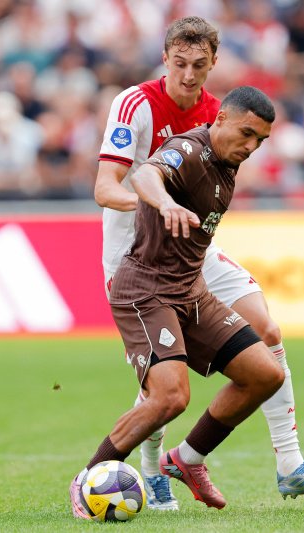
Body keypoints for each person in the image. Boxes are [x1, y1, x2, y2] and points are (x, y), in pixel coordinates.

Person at [92, 15, 304, 511]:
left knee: (267, 333)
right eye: (180, 63)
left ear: (213, 64)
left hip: (194, 250)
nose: (188, 75)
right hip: (136, 254)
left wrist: (188, 213)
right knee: (163, 383)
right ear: (165, 59)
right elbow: (106, 189)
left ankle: (290, 465)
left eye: (199, 65)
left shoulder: (222, 115)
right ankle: (149, 470)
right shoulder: (135, 103)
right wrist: (162, 205)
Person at [71, 86, 284, 517]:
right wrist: (164, 202)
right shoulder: (188, 148)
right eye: (246, 133)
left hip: (190, 292)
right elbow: (147, 174)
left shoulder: (228, 165)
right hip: (145, 292)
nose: (250, 146)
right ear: (220, 118)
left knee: (266, 373)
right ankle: (88, 479)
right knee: (170, 397)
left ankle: (185, 460)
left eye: (259, 141)